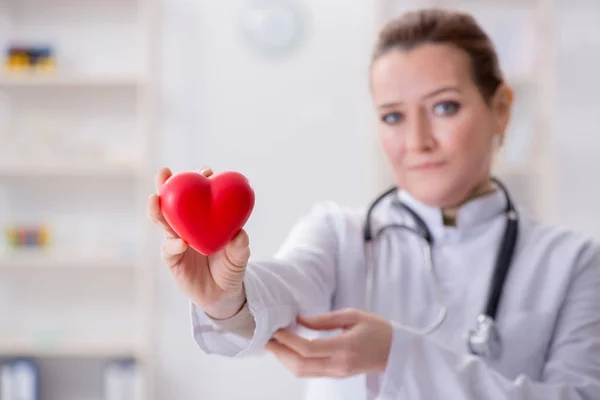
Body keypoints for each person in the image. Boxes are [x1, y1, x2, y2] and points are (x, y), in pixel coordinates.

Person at [147, 8, 600, 400]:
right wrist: (227, 297)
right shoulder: (338, 235)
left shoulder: (574, 264)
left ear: (500, 108)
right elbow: (282, 289)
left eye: (444, 107)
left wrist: (397, 354)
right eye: (393, 116)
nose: (417, 141)